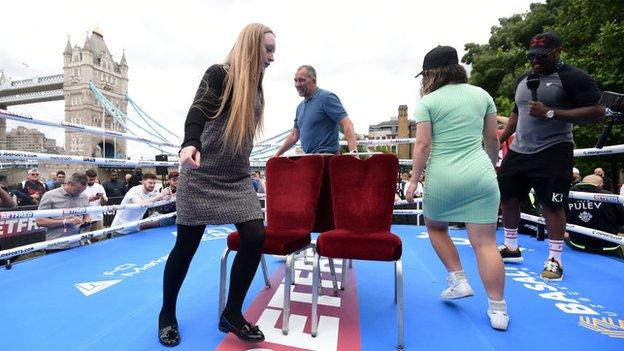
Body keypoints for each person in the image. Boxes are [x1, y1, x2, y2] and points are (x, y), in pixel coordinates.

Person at [159, 23, 275, 347]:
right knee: (186, 248)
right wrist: (190, 141)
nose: (272, 57)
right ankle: (167, 312)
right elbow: (197, 110)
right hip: (202, 173)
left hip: (237, 178)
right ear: (252, 47)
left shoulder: (258, 90)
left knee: (255, 235)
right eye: (268, 49)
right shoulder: (219, 74)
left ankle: (232, 313)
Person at [406, 45, 508, 330]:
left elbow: (423, 145)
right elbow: (492, 140)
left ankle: (458, 278)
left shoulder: (428, 101)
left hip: (443, 176)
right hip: (480, 174)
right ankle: (498, 310)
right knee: (486, 243)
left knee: (436, 227)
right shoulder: (482, 95)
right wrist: (489, 166)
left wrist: (413, 180)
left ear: (431, 74)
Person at [497, 32, 605, 281]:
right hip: (520, 149)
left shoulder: (573, 77)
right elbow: (517, 113)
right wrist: (500, 139)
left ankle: (555, 258)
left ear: (557, 52)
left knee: (552, 204)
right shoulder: (523, 79)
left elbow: (598, 112)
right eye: (531, 56)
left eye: (541, 56)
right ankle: (511, 247)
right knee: (509, 197)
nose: (535, 61)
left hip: (554, 148)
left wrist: (550, 113)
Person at [274, 65, 358, 156]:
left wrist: (354, 154)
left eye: (302, 80)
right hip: (310, 159)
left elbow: (347, 123)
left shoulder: (326, 98)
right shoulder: (300, 107)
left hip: (327, 158)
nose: (297, 84)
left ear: (314, 80)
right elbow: (294, 135)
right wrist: (276, 155)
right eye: (295, 80)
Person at [565, 174, 624, 258]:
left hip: (577, 245)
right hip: (607, 246)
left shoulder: (568, 196)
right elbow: (621, 220)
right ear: (600, 185)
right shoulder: (610, 197)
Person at [36, 172, 91, 248]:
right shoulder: (50, 195)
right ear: (69, 183)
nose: (79, 193)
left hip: (80, 243)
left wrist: (87, 222)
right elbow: (39, 221)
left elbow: (87, 216)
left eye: (82, 191)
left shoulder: (83, 196)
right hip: (57, 245)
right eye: (77, 190)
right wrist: (65, 221)